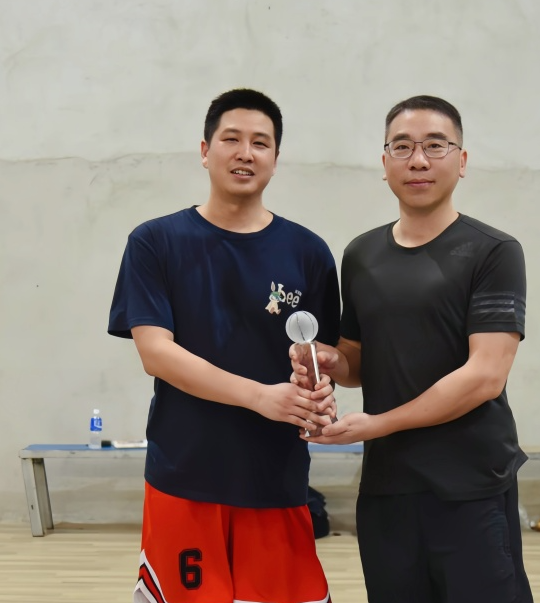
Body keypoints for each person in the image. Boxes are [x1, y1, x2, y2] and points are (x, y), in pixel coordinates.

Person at [291, 95, 533, 603]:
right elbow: (358, 359)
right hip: (388, 488)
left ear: (461, 161)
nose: (418, 160)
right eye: (402, 147)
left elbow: (485, 377)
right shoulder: (361, 254)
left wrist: (377, 424)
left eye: (435, 146)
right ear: (384, 163)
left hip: (470, 486)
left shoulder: (494, 252)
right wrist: (333, 362)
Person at [108, 88, 340, 603]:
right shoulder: (155, 241)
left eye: (261, 142)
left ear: (276, 158)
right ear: (205, 150)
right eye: (231, 139)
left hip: (275, 477)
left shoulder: (309, 252)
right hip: (185, 474)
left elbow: (321, 356)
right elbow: (155, 353)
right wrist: (260, 396)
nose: (245, 152)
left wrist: (318, 393)